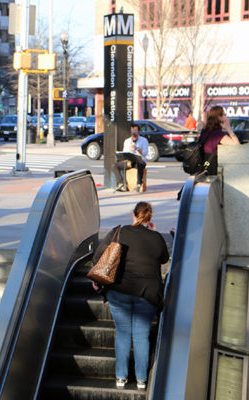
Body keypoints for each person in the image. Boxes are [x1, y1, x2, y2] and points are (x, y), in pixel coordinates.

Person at [92, 202, 169, 390]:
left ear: (133, 213)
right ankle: (142, 380)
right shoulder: (156, 237)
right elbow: (164, 258)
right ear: (149, 217)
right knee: (142, 335)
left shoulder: (118, 232)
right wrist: (153, 232)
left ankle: (121, 378)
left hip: (119, 291)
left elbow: (97, 257)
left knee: (123, 333)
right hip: (148, 293)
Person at [199, 106, 240, 175]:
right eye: (224, 114)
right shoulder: (217, 134)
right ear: (219, 117)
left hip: (203, 165)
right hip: (212, 167)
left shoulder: (205, 130)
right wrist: (228, 128)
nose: (226, 117)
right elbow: (237, 146)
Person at [113, 123, 148, 192]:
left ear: (138, 131)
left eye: (135, 130)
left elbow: (145, 153)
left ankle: (138, 184)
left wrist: (137, 149)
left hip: (139, 160)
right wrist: (128, 151)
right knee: (114, 165)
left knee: (139, 164)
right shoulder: (127, 141)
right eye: (132, 130)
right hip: (129, 161)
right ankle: (121, 184)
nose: (133, 132)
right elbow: (125, 153)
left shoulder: (144, 140)